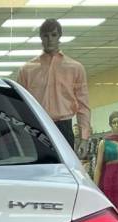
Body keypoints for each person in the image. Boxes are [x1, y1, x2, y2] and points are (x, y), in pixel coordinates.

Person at [17, 19, 90, 156]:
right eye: (46, 35)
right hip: (36, 126)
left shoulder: (75, 68)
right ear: (41, 37)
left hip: (64, 128)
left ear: (59, 36)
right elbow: (20, 106)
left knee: (64, 167)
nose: (50, 39)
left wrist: (84, 138)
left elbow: (83, 106)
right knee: (39, 167)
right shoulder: (27, 70)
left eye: (54, 35)